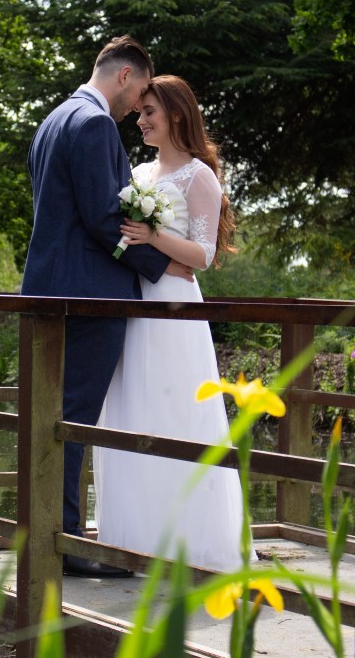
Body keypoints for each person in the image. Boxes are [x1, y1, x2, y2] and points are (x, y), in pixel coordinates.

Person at [21, 39, 193, 577]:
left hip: (48, 289)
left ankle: (41, 532)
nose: (136, 107)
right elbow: (103, 218)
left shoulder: (53, 120)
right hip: (88, 296)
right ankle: (67, 543)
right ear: (124, 77)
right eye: (139, 93)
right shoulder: (94, 123)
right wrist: (162, 266)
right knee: (73, 418)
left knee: (50, 413)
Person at [93, 74, 253, 571]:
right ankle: (133, 540)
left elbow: (203, 254)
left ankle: (190, 544)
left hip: (175, 308)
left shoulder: (198, 176)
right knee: (131, 409)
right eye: (140, 113)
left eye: (149, 113)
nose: (140, 121)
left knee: (175, 411)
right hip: (135, 300)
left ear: (176, 115)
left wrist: (153, 237)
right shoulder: (140, 171)